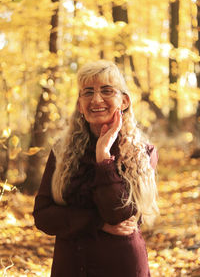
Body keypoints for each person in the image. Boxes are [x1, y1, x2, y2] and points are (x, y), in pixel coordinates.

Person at [33, 60, 159, 277]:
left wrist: (104, 157)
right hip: (70, 267)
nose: (96, 99)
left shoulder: (143, 153)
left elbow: (118, 215)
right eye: (88, 92)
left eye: (107, 91)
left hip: (122, 267)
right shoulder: (61, 152)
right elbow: (43, 216)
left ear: (124, 101)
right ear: (80, 104)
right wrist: (96, 222)